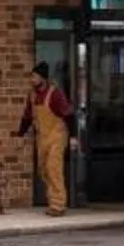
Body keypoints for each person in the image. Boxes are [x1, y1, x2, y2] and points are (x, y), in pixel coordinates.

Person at [16, 64, 74, 215]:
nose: (32, 79)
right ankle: (52, 201)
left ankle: (58, 205)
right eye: (31, 76)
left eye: (34, 76)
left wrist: (73, 136)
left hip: (57, 136)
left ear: (42, 78)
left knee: (53, 169)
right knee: (43, 170)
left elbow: (68, 115)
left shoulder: (55, 94)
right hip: (42, 137)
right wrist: (20, 135)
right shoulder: (32, 96)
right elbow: (27, 117)